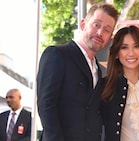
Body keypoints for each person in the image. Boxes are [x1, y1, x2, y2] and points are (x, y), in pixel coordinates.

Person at [36, 2, 119, 141]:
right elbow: (46, 105)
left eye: (106, 30)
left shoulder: (98, 69)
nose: (100, 33)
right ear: (83, 24)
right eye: (96, 25)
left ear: (110, 36)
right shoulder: (57, 54)